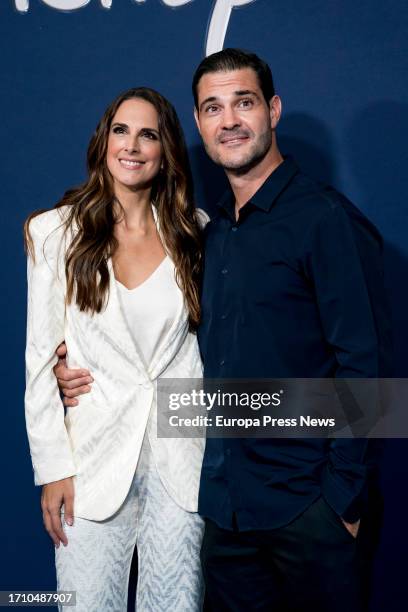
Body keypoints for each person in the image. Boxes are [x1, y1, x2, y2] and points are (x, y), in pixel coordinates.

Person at [56, 49, 392, 611]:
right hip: (227, 518)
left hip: (311, 513)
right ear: (198, 123)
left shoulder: (325, 220)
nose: (229, 120)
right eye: (213, 107)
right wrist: (73, 363)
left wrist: (342, 501)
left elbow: (369, 366)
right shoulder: (210, 235)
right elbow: (175, 349)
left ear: (274, 110)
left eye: (244, 102)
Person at [24, 87, 207, 612]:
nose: (132, 145)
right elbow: (39, 362)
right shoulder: (55, 232)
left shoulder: (196, 232)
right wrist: (53, 468)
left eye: (148, 133)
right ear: (103, 141)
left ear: (165, 149)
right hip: (92, 463)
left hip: (182, 463)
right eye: (121, 130)